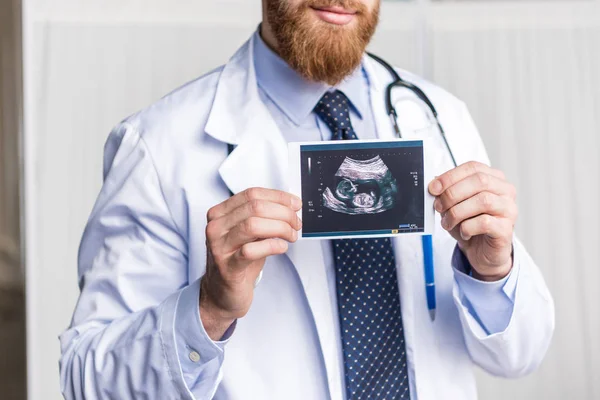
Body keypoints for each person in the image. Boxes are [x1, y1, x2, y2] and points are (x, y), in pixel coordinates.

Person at [59, 0, 555, 399]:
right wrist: (207, 309)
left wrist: (493, 272)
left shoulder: (440, 117)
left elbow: (518, 356)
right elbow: (87, 380)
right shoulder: (158, 147)